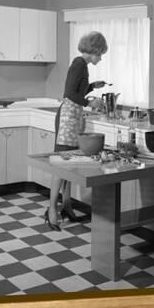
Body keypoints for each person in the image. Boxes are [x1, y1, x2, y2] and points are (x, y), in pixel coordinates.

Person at [44, 31, 108, 231]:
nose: (101, 57)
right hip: (67, 119)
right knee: (60, 165)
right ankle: (51, 210)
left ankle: (67, 205)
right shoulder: (79, 64)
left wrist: (90, 87)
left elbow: (77, 90)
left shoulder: (83, 66)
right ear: (94, 50)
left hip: (74, 118)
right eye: (101, 53)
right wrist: (90, 101)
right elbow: (70, 93)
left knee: (69, 165)